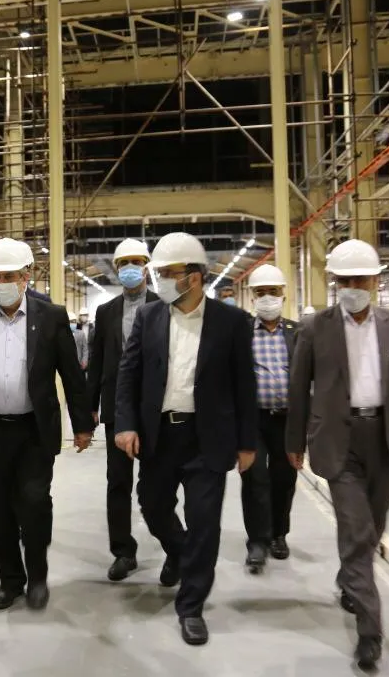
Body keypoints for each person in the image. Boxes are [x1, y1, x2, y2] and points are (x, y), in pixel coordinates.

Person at [286, 239, 389, 670]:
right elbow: (298, 390)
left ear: (375, 282)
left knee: (373, 525)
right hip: (337, 442)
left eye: (360, 280)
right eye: (345, 281)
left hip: (385, 440)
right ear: (334, 282)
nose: (353, 288)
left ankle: (349, 578)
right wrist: (293, 442)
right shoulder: (315, 328)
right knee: (357, 532)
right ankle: (370, 632)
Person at [115, 232, 257, 647]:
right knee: (152, 505)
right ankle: (178, 552)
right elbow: (129, 373)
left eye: (166, 272)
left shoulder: (231, 322)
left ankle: (191, 607)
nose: (158, 279)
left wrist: (247, 443)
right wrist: (125, 424)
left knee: (204, 522)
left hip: (207, 438)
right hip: (160, 435)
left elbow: (244, 385)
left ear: (194, 277)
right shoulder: (149, 317)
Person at [0, 238, 95, 612]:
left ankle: (37, 577)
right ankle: (10, 581)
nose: (2, 283)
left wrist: (82, 425)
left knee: (34, 503)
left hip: (33, 430)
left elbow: (71, 374)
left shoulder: (50, 317)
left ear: (26, 276)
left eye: (9, 276)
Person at [86, 238, 163, 582]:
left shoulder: (164, 306)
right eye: (124, 263)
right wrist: (89, 407)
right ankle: (123, 551)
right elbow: (97, 360)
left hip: (157, 409)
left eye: (136, 262)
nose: (130, 268)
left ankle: (170, 543)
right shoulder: (106, 312)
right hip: (117, 408)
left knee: (157, 484)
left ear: (146, 266)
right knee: (118, 482)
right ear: (116, 269)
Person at [239, 264, 300, 575]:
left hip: (286, 420)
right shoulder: (242, 333)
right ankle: (257, 541)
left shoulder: (297, 333)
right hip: (252, 420)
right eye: (260, 292)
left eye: (272, 292)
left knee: (284, 479)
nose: (266, 298)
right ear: (252, 297)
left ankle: (278, 534)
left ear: (283, 295)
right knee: (254, 479)